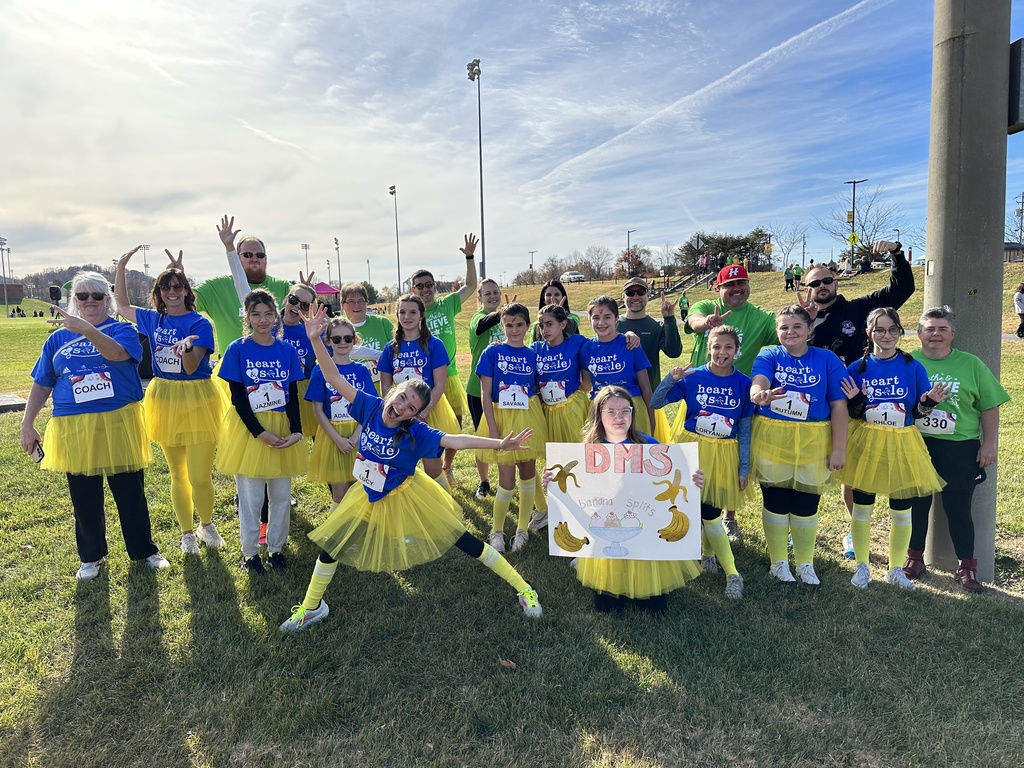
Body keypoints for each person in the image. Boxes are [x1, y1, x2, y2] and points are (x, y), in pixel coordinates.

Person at [278, 305, 542, 632]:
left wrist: (499, 445)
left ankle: (524, 587)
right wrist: (316, 339)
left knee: (464, 541)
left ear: (414, 414)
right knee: (332, 546)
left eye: (411, 408)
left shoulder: (415, 432)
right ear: (392, 392)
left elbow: (456, 441)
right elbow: (331, 375)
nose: (401, 407)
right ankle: (310, 607)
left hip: (407, 494)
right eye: (401, 398)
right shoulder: (370, 406)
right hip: (368, 492)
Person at [20, 271, 170, 580]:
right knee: (84, 495)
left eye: (97, 296)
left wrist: (87, 330)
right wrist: (27, 422)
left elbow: (116, 354)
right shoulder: (57, 339)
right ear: (74, 301)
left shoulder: (122, 330)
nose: (90, 301)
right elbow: (42, 382)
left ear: (108, 300)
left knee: (130, 491)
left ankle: (144, 550)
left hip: (118, 420)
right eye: (82, 296)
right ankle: (91, 556)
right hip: (73, 424)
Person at [803, 239, 916, 557]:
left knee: (852, 471)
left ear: (836, 282)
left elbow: (902, 289)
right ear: (807, 288)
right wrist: (807, 322)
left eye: (827, 280)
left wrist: (896, 253)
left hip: (854, 405)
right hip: (812, 407)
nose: (822, 286)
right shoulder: (803, 319)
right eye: (815, 283)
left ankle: (855, 531)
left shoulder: (858, 308)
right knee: (809, 470)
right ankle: (796, 526)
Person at [544, 385, 700, 613]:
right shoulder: (588, 451)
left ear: (633, 414)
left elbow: (671, 485)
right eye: (611, 411)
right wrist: (551, 482)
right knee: (607, 606)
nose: (619, 417)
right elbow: (577, 494)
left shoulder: (649, 445)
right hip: (605, 534)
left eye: (625, 411)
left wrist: (691, 481)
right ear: (599, 415)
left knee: (654, 606)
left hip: (644, 533)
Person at [114, 247, 226, 555]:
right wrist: (122, 265)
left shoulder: (200, 324)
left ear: (187, 291)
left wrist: (188, 347)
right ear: (158, 293)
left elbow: (191, 368)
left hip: (198, 397)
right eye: (166, 287)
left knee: (200, 475)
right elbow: (122, 304)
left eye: (178, 287)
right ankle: (186, 532)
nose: (172, 292)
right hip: (165, 397)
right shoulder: (152, 320)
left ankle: (206, 524)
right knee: (177, 473)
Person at [840, 308, 949, 590]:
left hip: (902, 441)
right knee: (863, 507)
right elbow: (853, 413)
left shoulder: (913, 366)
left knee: (902, 510)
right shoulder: (857, 368)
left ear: (900, 332)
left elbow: (919, 411)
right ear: (869, 333)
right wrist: (857, 401)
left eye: (892, 330)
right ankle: (862, 566)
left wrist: (928, 402)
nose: (886, 336)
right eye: (879, 330)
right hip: (867, 441)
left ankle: (895, 568)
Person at [904, 306, 1010, 592]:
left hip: (960, 446)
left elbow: (989, 405)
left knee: (959, 508)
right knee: (917, 504)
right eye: (930, 328)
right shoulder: (908, 362)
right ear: (919, 333)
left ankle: (967, 566)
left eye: (942, 329)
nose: (935, 334)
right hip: (917, 444)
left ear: (952, 334)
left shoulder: (971, 364)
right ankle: (914, 558)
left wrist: (989, 444)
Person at [749, 305, 848, 585]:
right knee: (776, 499)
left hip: (814, 438)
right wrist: (759, 394)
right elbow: (759, 380)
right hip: (774, 436)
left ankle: (805, 563)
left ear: (809, 330)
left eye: (796, 327)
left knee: (807, 501)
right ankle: (778, 562)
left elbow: (839, 404)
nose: (790, 332)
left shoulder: (826, 359)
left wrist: (839, 448)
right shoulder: (769, 354)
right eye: (784, 327)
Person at [652, 325, 752, 599]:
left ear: (736, 350)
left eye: (728, 347)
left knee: (711, 510)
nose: (722, 353)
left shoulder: (744, 383)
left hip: (722, 454)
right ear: (709, 347)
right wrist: (671, 379)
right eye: (717, 346)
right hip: (691, 449)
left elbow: (744, 430)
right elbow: (655, 402)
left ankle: (730, 571)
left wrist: (744, 468)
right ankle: (705, 556)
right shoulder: (694, 377)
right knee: (693, 507)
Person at [216, 289, 308, 573]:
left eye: (269, 314)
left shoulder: (286, 350)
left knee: (281, 496)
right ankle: (250, 554)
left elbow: (291, 393)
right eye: (256, 314)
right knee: (251, 498)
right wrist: (259, 433)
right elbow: (239, 398)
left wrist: (296, 431)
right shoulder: (238, 348)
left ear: (276, 315)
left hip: (281, 427)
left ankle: (277, 550)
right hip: (250, 431)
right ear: (247, 316)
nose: (263, 320)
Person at [683, 265, 778, 539]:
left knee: (731, 457)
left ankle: (728, 517)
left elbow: (784, 337)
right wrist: (707, 324)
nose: (737, 288)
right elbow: (694, 321)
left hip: (735, 401)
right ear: (718, 288)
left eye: (742, 283)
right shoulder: (705, 304)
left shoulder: (761, 317)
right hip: (698, 398)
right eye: (730, 284)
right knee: (695, 458)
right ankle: (694, 512)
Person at [476, 303, 548, 553]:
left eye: (519, 325)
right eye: (509, 325)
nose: (514, 329)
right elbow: (486, 393)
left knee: (528, 473)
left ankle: (522, 530)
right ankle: (496, 530)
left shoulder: (532, 354)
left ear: (528, 326)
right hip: (501, 418)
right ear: (502, 326)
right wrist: (493, 430)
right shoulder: (492, 353)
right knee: (506, 480)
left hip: (527, 418)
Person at [409, 234, 480, 484]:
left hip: (448, 376)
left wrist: (469, 257)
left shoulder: (447, 304)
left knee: (454, 427)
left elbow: (471, 285)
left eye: (429, 284)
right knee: (422, 429)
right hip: (422, 381)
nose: (426, 289)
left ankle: (446, 468)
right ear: (413, 289)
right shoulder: (412, 312)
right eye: (421, 286)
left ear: (434, 286)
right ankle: (430, 472)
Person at [377, 294, 459, 485]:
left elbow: (440, 385)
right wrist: (394, 413)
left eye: (412, 312)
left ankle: (445, 506)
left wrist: (422, 414)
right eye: (402, 312)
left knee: (432, 465)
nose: (407, 317)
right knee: (401, 463)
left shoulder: (434, 344)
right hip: (400, 412)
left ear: (422, 315)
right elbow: (386, 387)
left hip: (429, 410)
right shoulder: (390, 348)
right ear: (397, 315)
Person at [194, 215, 294, 358]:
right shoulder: (216, 287)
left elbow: (306, 313)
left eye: (260, 255)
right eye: (248, 255)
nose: (254, 259)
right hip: (230, 370)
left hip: (272, 366)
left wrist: (307, 294)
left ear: (266, 258)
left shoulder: (283, 286)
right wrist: (177, 279)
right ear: (238, 257)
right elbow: (183, 303)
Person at [305, 316, 376, 504]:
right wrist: (338, 440)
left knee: (358, 490)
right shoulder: (320, 371)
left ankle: (358, 529)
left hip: (358, 436)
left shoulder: (361, 370)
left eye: (347, 338)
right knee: (339, 494)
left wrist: (355, 437)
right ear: (327, 341)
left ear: (355, 340)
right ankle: (339, 533)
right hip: (332, 437)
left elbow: (370, 407)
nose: (342, 343)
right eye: (336, 339)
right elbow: (318, 410)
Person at [616, 277, 682, 442]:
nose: (636, 297)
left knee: (647, 454)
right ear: (623, 297)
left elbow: (674, 352)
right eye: (630, 293)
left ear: (648, 295)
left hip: (648, 400)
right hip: (618, 400)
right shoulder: (614, 326)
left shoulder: (654, 326)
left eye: (641, 292)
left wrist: (669, 319)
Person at [582, 295, 655, 435]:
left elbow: (646, 387)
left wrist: (652, 420)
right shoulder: (586, 348)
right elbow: (586, 385)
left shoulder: (631, 344)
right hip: (600, 410)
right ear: (589, 319)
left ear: (616, 318)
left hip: (631, 409)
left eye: (607, 317)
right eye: (596, 317)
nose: (601, 322)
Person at [466, 278, 505, 499]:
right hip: (477, 388)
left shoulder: (506, 321)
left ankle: (504, 482)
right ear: (480, 298)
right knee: (483, 437)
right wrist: (505, 312)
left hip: (502, 390)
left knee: (500, 434)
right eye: (487, 293)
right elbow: (483, 326)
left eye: (496, 292)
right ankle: (483, 481)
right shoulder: (477, 318)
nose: (493, 296)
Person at [279, 282, 320, 437]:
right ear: (285, 299)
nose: (296, 307)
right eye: (294, 300)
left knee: (314, 435)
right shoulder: (267, 325)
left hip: (304, 391)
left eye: (303, 305)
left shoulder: (312, 331)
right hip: (275, 388)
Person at [340, 281, 393, 394]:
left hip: (382, 389)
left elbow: (396, 353)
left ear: (366, 302)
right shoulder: (337, 329)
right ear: (342, 304)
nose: (357, 305)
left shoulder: (383, 323)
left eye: (361, 301)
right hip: (351, 392)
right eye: (351, 302)